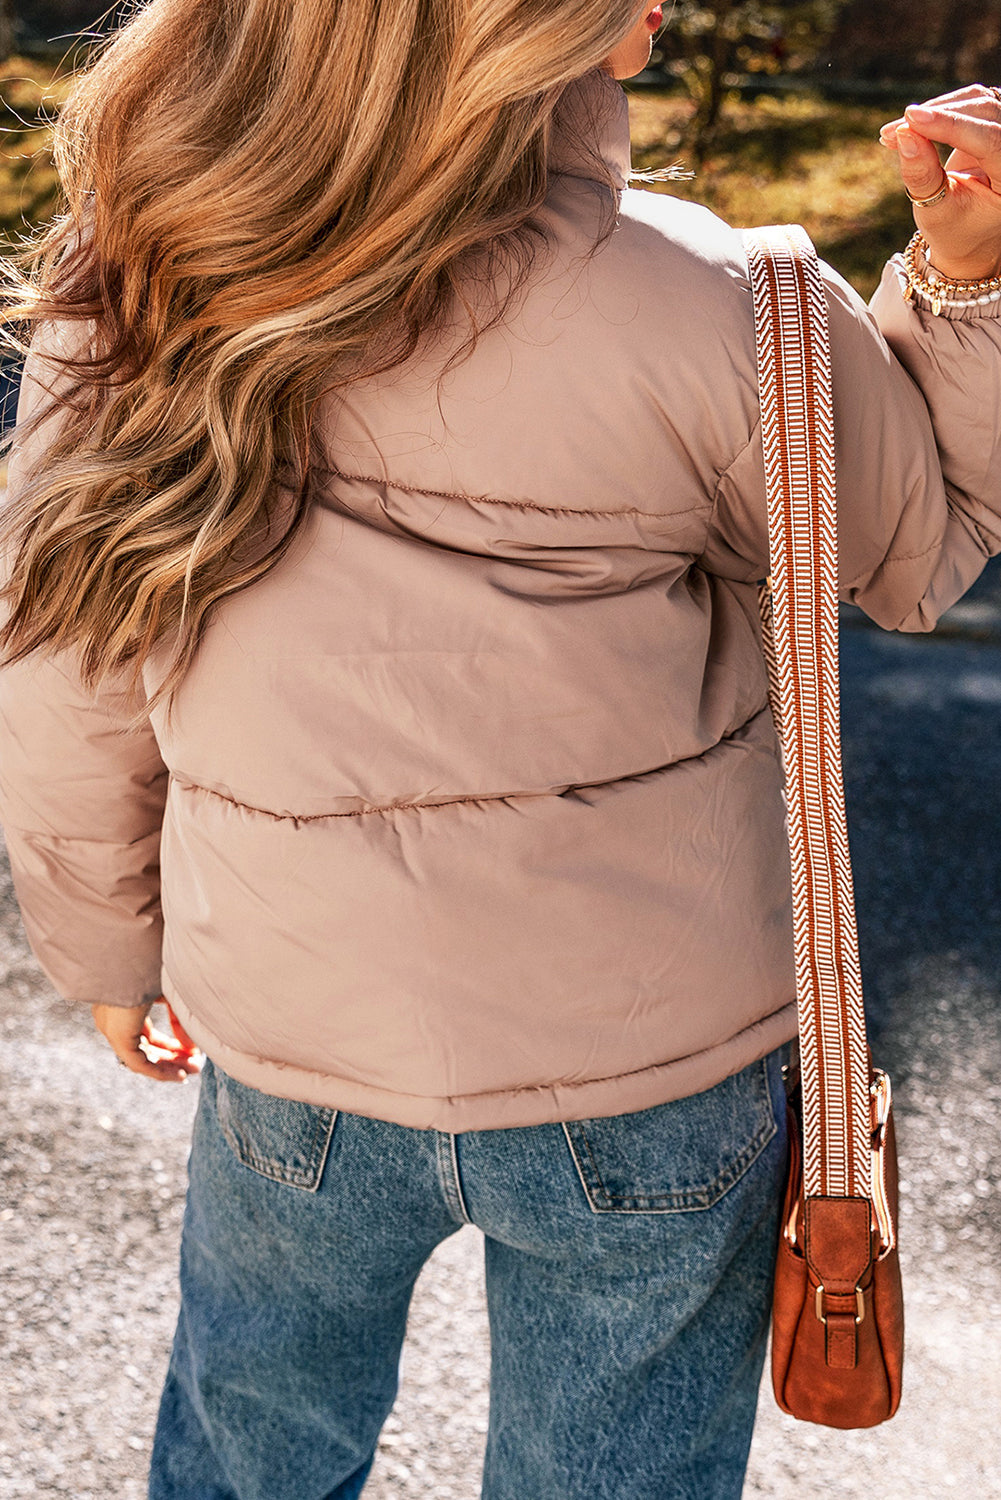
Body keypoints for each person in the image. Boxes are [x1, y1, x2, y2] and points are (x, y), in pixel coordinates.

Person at [1, 0, 1000, 1491]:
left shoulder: (152, 265)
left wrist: (105, 951)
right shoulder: (738, 308)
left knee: (252, 1446)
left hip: (295, 1029)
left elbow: (66, 658)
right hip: (654, 1063)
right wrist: (964, 285)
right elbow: (911, 563)